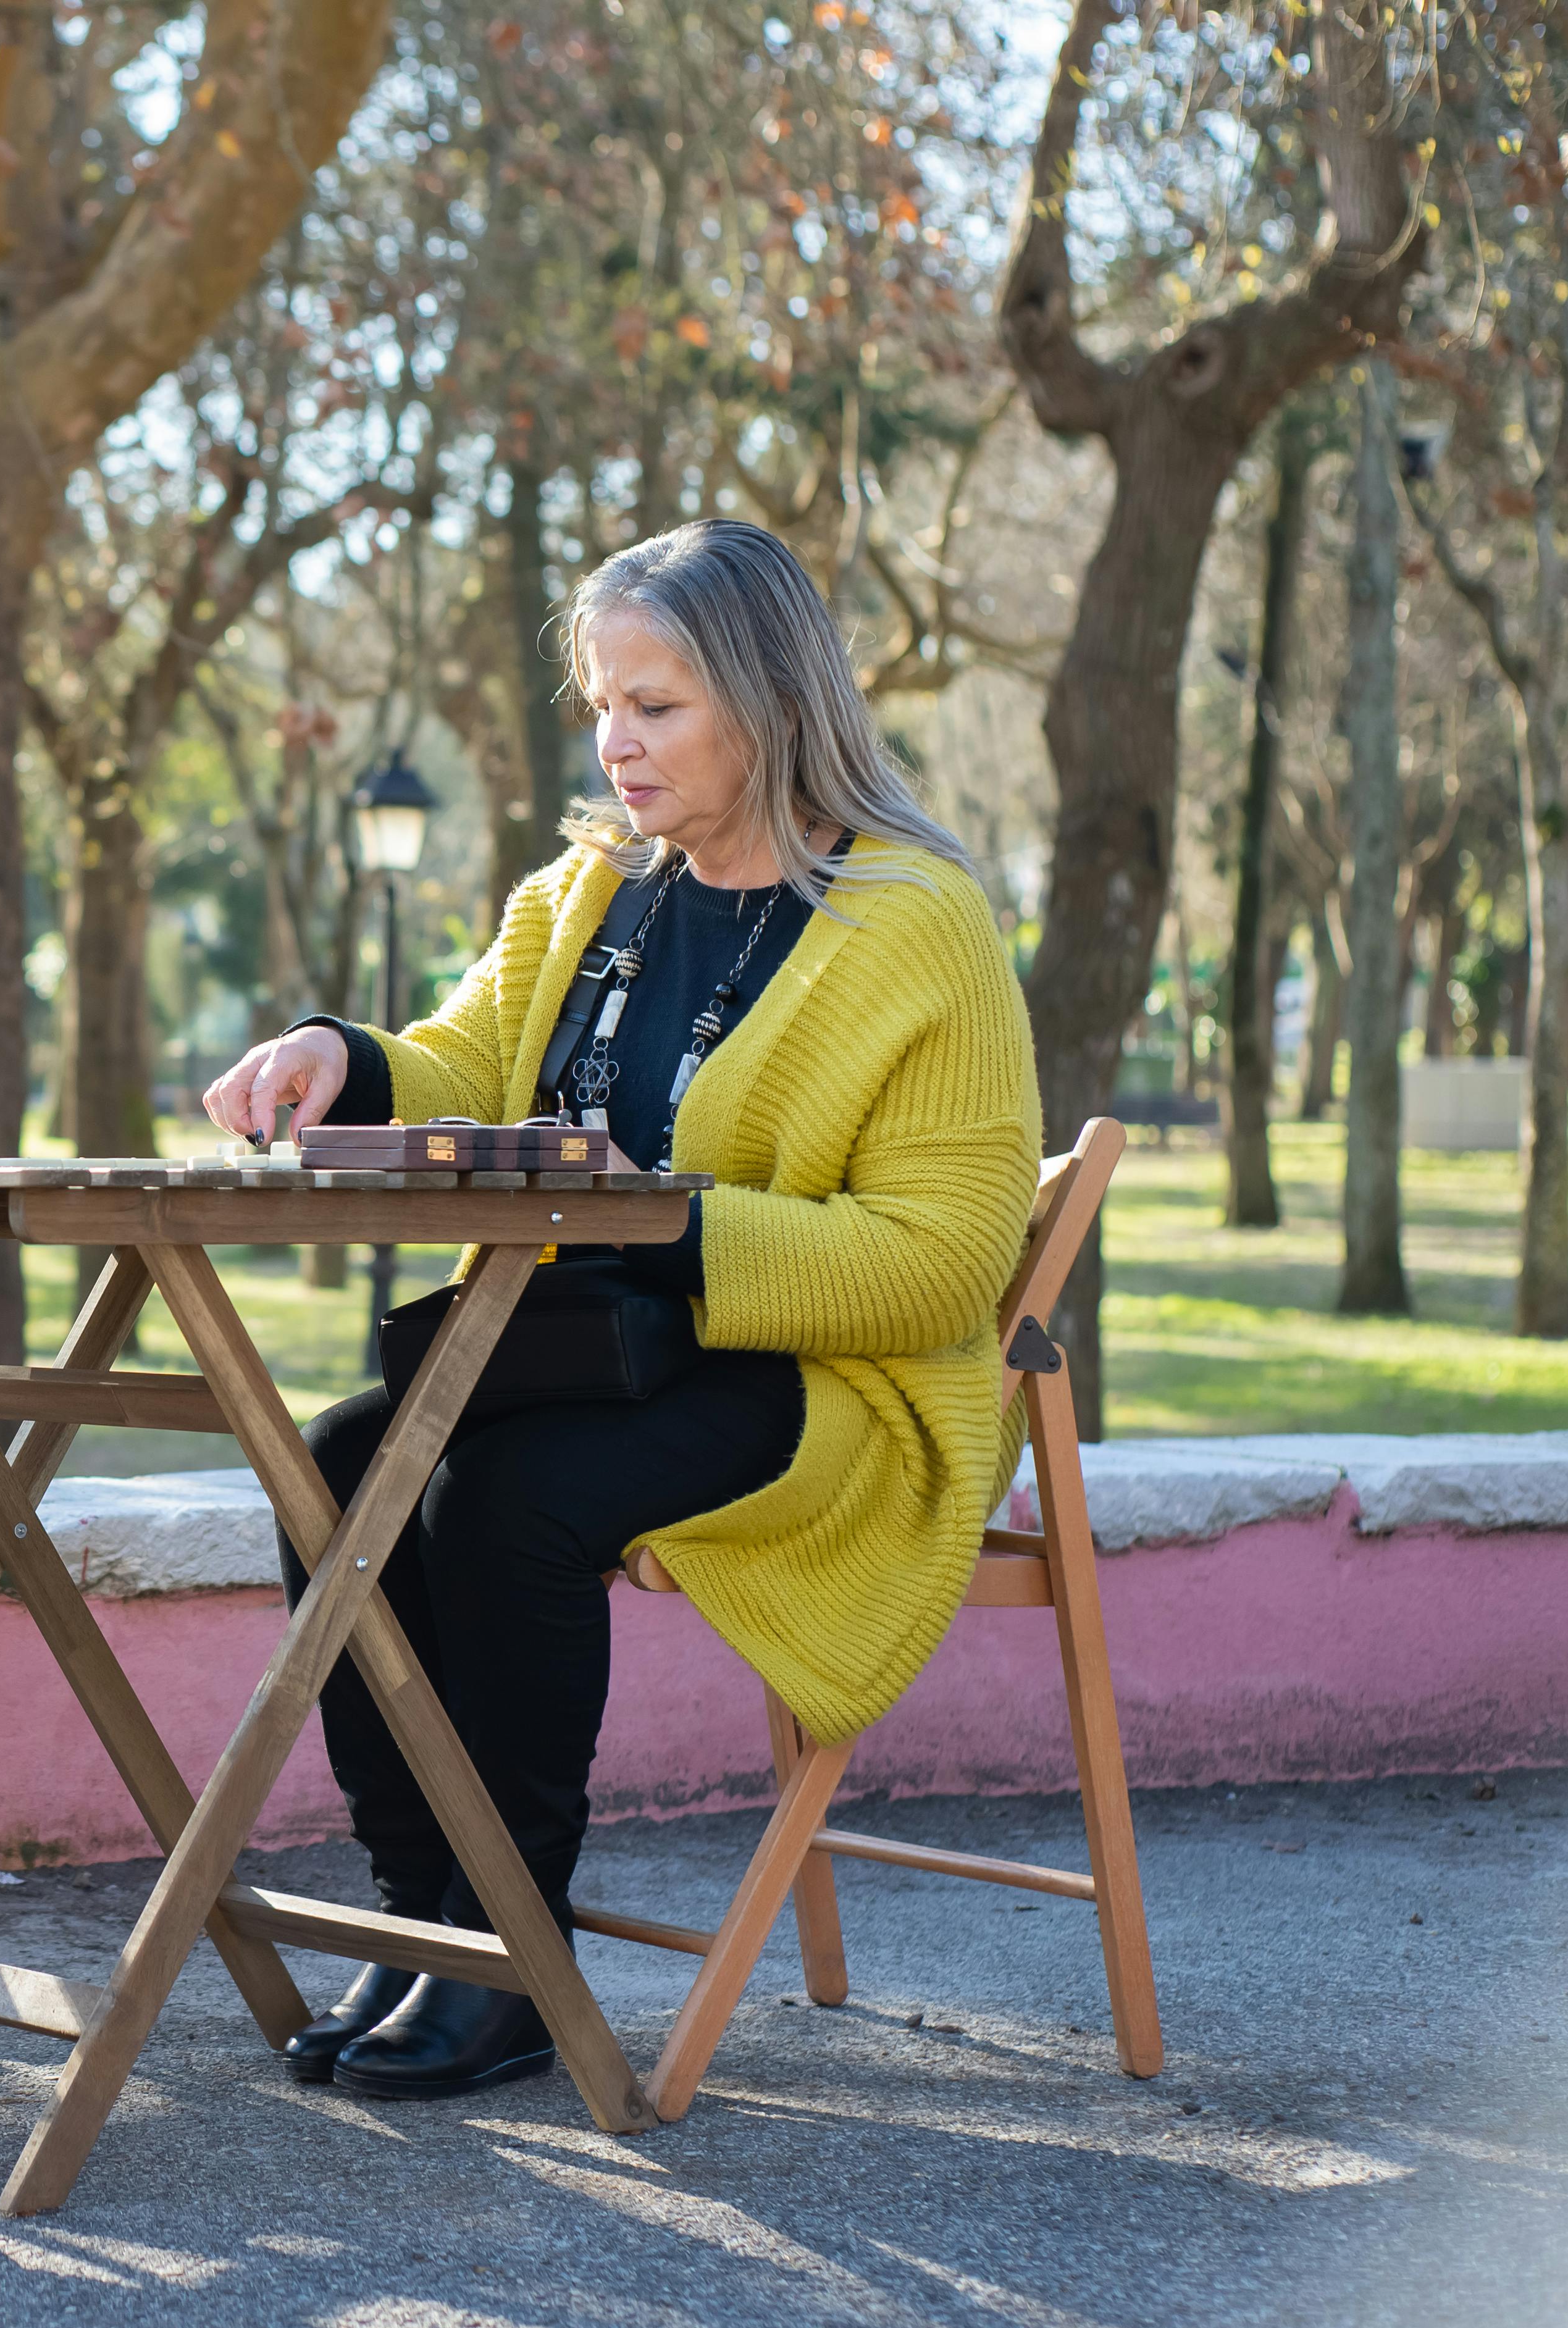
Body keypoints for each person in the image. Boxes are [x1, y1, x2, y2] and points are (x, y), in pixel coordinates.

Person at [204, 519, 1038, 2100]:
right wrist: (340, 1056)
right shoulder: (589, 888)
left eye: (654, 704)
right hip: (571, 1356)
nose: (614, 739)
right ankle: (424, 1925)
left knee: (503, 1498)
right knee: (331, 1466)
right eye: (602, 701)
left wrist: (654, 1223)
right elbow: (464, 1063)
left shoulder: (913, 923)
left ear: (766, 698)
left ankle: (515, 1955)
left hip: (812, 1382)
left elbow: (941, 1262)